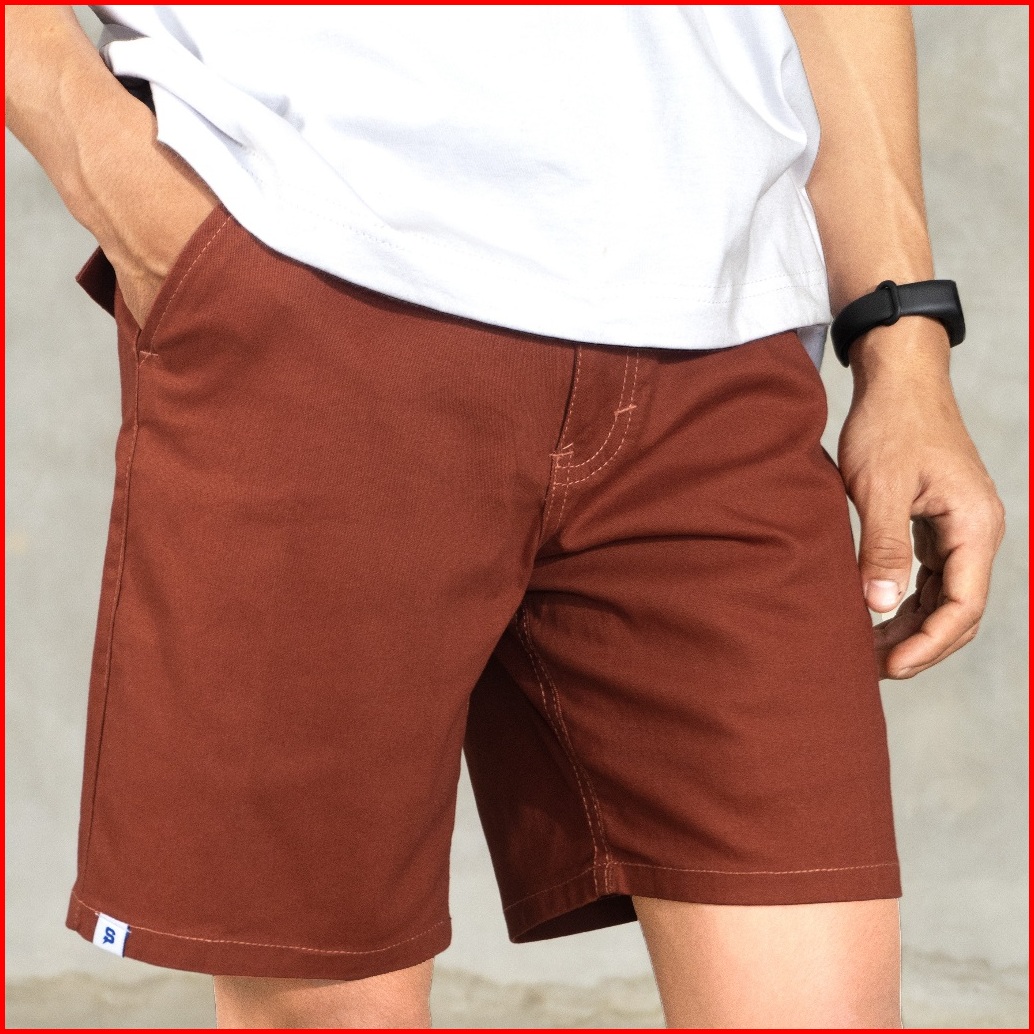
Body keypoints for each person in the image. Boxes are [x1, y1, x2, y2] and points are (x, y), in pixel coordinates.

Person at [5, 5, 1005, 1029]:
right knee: (327, 1006)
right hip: (321, 273)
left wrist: (902, 337)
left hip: (718, 334)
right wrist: (127, 189)